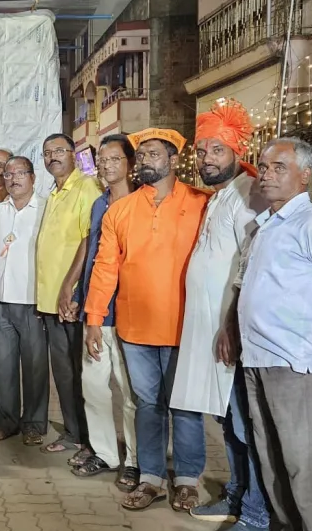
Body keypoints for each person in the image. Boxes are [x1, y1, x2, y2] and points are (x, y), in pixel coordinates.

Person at [227, 137, 312, 531]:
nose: (266, 174)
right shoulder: (265, 225)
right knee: (269, 457)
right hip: (258, 357)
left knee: (303, 464)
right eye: (264, 167)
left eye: (279, 167)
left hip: (294, 362)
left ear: (305, 174)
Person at [84, 128, 209, 512]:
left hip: (184, 327)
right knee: (147, 403)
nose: (144, 161)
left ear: (173, 161)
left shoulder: (202, 203)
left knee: (185, 405)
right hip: (134, 328)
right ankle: (151, 477)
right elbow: (105, 267)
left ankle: (188, 479)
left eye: (153, 154)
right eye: (141, 155)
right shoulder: (120, 210)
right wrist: (93, 319)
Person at [173, 102, 269, 530]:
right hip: (213, 331)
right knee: (229, 423)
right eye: (202, 150)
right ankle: (236, 496)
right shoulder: (221, 196)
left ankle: (256, 512)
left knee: (245, 426)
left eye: (217, 150)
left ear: (236, 152)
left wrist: (230, 326)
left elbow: (250, 265)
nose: (207, 158)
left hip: (231, 333)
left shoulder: (248, 191)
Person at [71, 135, 139, 492]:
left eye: (115, 159)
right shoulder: (99, 204)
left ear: (130, 162)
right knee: (95, 387)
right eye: (102, 159)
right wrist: (79, 295)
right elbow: (93, 253)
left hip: (129, 313)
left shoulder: (143, 203)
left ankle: (136, 460)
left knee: (131, 394)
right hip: (95, 313)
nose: (107, 165)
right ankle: (105, 452)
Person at [35, 133, 100, 458]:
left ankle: (91, 441)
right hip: (50, 301)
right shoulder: (55, 191)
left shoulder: (86, 188)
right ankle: (75, 433)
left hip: (70, 298)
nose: (53, 157)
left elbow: (89, 240)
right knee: (63, 371)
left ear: (74, 154)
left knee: (80, 372)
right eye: (47, 153)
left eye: (59, 151)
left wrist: (69, 287)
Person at [0, 156, 48, 445]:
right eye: (8, 174)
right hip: (0, 300)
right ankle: (6, 421)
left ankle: (34, 423)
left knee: (34, 366)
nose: (13, 178)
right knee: (3, 365)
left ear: (32, 177)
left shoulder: (45, 208)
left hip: (32, 300)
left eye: (20, 173)